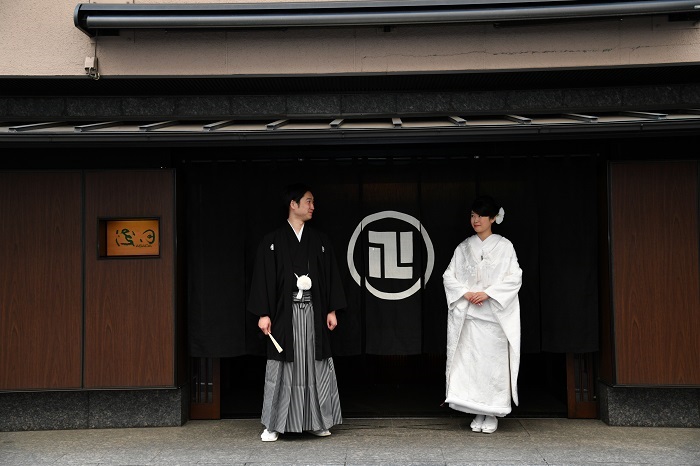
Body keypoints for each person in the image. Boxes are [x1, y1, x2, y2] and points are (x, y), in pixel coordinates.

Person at [247, 183, 346, 442]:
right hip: (284, 313)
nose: (313, 207)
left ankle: (317, 420)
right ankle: (274, 424)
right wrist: (263, 313)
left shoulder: (320, 240)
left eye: (313, 202)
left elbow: (329, 276)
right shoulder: (272, 241)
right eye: (308, 201)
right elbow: (263, 279)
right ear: (294, 204)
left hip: (313, 310)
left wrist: (331, 309)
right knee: (283, 365)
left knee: (315, 365)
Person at [442, 195, 522, 434]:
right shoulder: (464, 247)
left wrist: (488, 293)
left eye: (481, 216)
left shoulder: (505, 246)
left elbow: (514, 277)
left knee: (492, 366)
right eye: (473, 215)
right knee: (471, 366)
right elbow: (449, 276)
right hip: (470, 317)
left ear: (494, 218)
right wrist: (466, 293)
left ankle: (493, 411)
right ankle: (477, 410)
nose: (475, 220)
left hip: (493, 317)